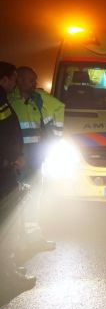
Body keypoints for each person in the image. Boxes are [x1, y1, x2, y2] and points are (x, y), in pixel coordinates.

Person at [9, 66, 64, 254]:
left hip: (35, 158)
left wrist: (54, 140)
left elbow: (59, 106)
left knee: (35, 198)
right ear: (19, 81)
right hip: (15, 159)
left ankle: (33, 239)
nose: (35, 84)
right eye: (31, 80)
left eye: (36, 80)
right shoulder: (9, 100)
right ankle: (15, 244)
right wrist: (13, 156)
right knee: (15, 201)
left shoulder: (38, 100)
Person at [0, 61, 36, 294]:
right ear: (5, 78)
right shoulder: (2, 100)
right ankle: (7, 276)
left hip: (6, 168)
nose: (13, 83)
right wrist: (14, 157)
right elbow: (4, 134)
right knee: (6, 225)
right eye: (13, 78)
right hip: (3, 173)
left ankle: (9, 269)